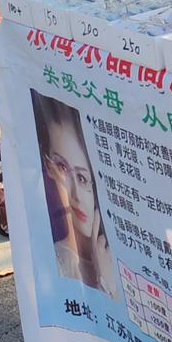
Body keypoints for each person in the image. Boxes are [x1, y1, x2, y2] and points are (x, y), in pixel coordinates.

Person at [32, 90, 117, 298]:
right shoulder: (53, 261)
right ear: (48, 167)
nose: (76, 195)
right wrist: (105, 284)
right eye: (61, 167)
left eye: (83, 178)